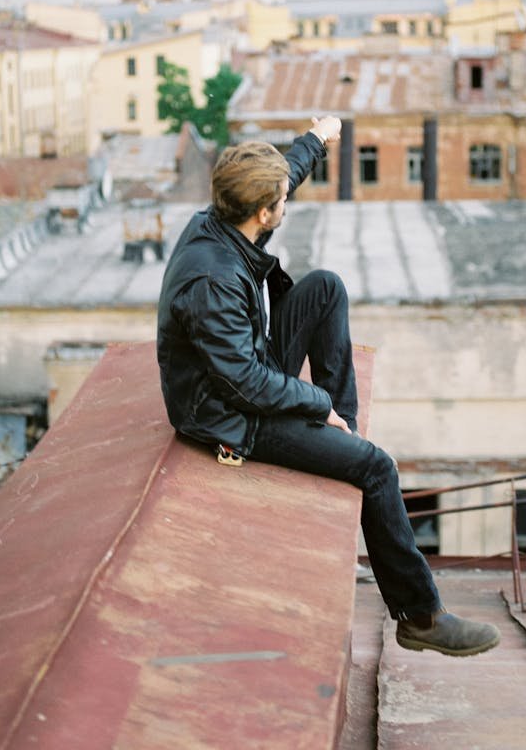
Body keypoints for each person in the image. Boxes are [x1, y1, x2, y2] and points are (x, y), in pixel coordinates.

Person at [156, 117, 500, 656]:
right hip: (225, 414)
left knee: (325, 289)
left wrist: (317, 139)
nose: (284, 205)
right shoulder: (214, 282)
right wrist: (317, 403)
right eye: (279, 202)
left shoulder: (223, 218)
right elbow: (244, 384)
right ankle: (420, 617)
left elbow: (281, 177)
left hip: (240, 366)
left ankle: (343, 439)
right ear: (264, 213)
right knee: (376, 467)